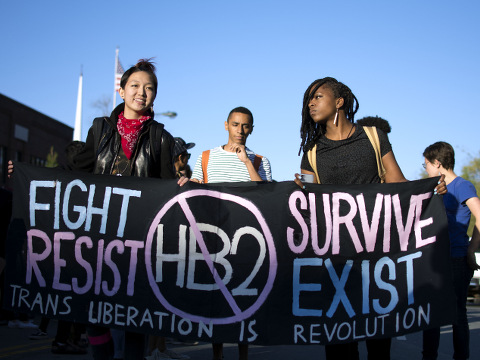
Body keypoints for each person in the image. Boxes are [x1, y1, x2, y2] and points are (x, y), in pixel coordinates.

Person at [294, 77, 446, 360]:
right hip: (336, 259)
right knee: (339, 342)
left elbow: (397, 183)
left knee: (378, 341)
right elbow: (309, 203)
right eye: (308, 99)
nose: (311, 103)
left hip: (377, 256)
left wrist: (429, 189)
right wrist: (300, 189)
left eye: (318, 96)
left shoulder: (373, 137)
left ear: (339, 101)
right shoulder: (312, 151)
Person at [66, 58, 187, 360]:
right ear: (121, 91)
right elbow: (76, 169)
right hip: (101, 235)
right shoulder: (100, 130)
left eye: (149, 88)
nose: (141, 93)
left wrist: (181, 185)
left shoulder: (161, 137)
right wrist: (28, 173)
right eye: (135, 85)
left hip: (139, 240)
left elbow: (166, 187)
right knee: (95, 313)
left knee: (135, 316)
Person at [190, 106, 272, 360]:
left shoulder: (260, 161)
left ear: (252, 129)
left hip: (247, 241)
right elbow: (194, 195)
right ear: (226, 125)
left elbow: (267, 197)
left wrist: (246, 162)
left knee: (243, 301)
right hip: (214, 240)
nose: (240, 130)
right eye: (236, 125)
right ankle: (218, 355)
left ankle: (243, 355)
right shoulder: (205, 157)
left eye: (246, 126)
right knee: (216, 302)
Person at [421, 141, 480, 360]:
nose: (425, 168)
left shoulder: (462, 186)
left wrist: (471, 248)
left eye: (426, 164)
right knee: (432, 315)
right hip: (435, 262)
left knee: (457, 315)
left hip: (456, 259)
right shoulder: (436, 189)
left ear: (437, 163)